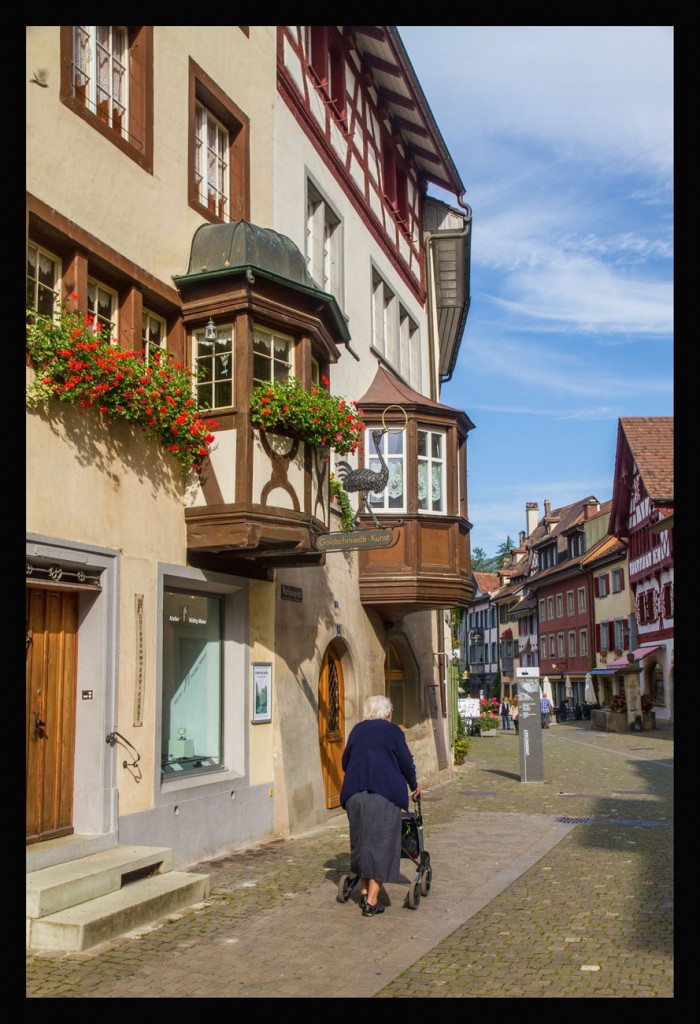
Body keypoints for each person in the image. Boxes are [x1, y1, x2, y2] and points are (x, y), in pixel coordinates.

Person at [339, 694, 420, 917]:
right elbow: (406, 763)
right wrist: (414, 784)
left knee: (362, 842)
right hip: (383, 794)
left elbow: (345, 762)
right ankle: (372, 901)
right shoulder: (393, 731)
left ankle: (365, 892)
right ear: (388, 714)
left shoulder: (357, 730)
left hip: (355, 794)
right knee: (383, 845)